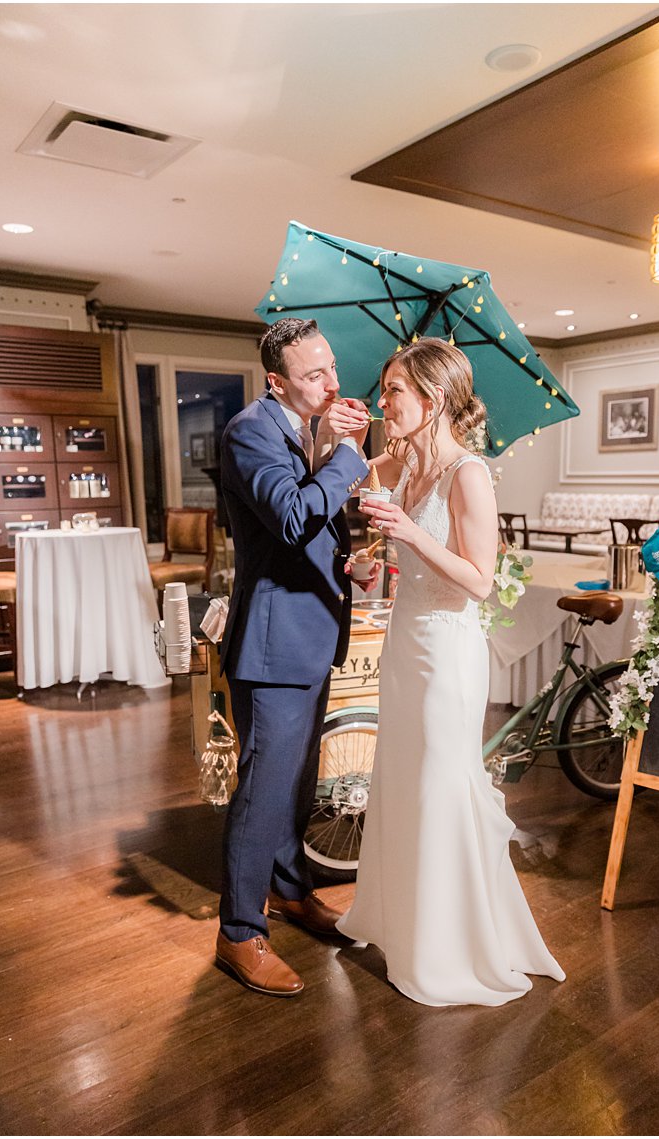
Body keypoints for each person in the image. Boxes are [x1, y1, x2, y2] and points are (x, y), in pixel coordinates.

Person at [336, 337, 565, 1006]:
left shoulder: (470, 472)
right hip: (404, 647)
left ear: (433, 399)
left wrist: (409, 533)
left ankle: (445, 946)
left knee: (440, 787)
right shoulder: (407, 467)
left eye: (394, 392)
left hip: (448, 655)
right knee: (402, 784)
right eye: (384, 391)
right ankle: (395, 924)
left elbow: (479, 582)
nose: (384, 402)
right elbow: (381, 524)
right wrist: (373, 565)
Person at [213, 317, 371, 997]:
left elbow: (306, 534)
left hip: (311, 635)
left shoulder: (307, 430)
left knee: (300, 786)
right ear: (275, 380)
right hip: (273, 646)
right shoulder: (251, 429)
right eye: (314, 374)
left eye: (331, 367)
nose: (332, 383)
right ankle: (238, 932)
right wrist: (349, 458)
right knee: (264, 790)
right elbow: (289, 514)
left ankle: (288, 890)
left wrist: (346, 561)